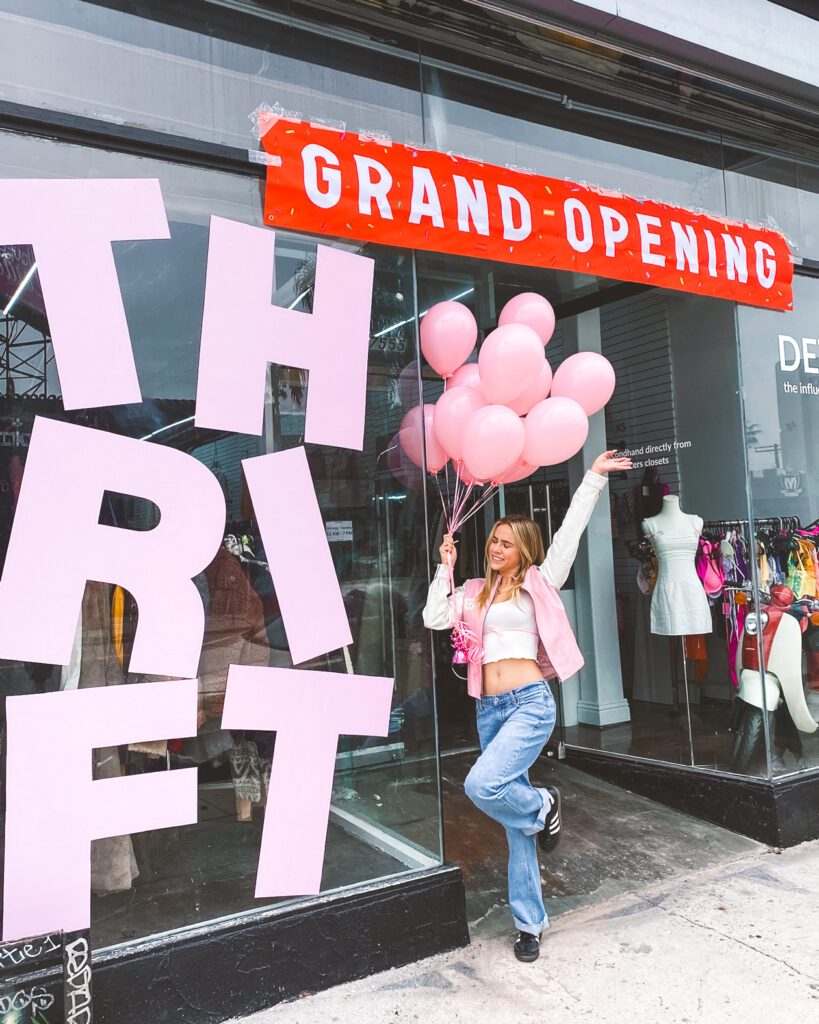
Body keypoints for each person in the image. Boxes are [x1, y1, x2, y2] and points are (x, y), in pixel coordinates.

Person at [423, 450, 631, 962]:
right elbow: (433, 617)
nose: (496, 548)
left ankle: (543, 804)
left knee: (481, 785)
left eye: (506, 543)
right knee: (516, 828)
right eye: (493, 540)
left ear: (524, 551)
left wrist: (592, 478)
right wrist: (444, 569)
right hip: (489, 710)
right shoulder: (473, 592)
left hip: (530, 705)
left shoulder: (540, 582)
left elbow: (570, 534)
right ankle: (529, 924)